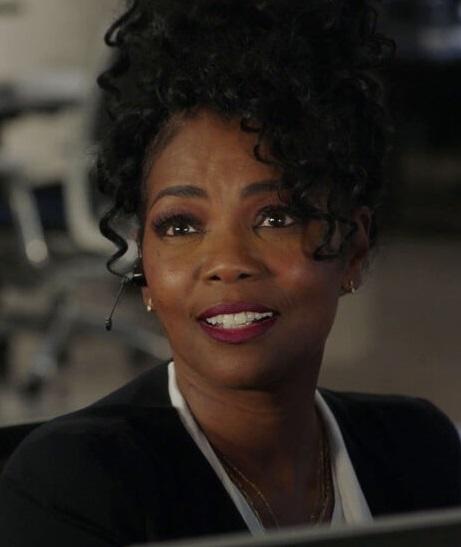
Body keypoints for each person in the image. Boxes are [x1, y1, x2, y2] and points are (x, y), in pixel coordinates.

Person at [1, 1, 460, 545]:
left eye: (276, 218)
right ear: (144, 269)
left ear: (353, 250)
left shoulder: (422, 451)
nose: (227, 263)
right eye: (180, 226)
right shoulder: (75, 484)